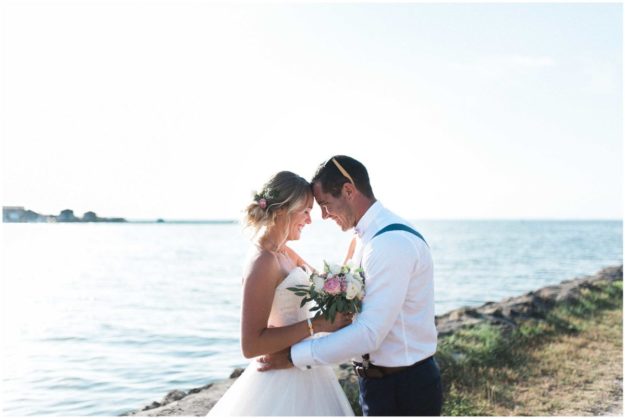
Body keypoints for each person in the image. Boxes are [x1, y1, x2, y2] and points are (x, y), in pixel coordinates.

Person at [257, 156, 443, 416]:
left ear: (348, 190)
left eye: (325, 204)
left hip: (405, 388)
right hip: (378, 384)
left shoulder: (389, 243)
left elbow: (369, 333)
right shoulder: (365, 239)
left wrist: (291, 357)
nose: (323, 215)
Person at [206, 171, 355, 416]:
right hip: (278, 381)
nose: (309, 220)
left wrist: (353, 255)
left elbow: (327, 284)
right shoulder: (263, 261)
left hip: (303, 367)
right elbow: (251, 345)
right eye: (306, 211)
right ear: (283, 210)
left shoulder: (283, 252)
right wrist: (317, 324)